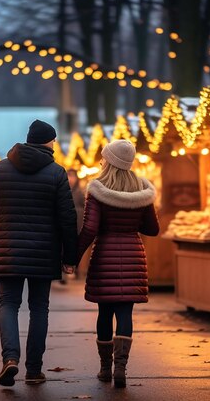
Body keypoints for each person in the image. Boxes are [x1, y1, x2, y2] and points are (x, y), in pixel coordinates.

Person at [0, 119, 78, 387]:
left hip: (7, 249)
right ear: (49, 142)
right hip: (43, 252)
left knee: (8, 305)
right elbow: (67, 217)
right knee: (39, 308)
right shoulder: (57, 173)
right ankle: (34, 369)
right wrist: (70, 258)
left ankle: (10, 359)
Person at [77, 139, 159, 389]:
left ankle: (105, 368)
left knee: (104, 313)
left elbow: (90, 229)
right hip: (134, 256)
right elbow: (152, 229)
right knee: (126, 313)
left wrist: (71, 258)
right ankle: (121, 368)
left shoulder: (98, 189)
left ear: (109, 160)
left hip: (105, 258)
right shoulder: (141, 190)